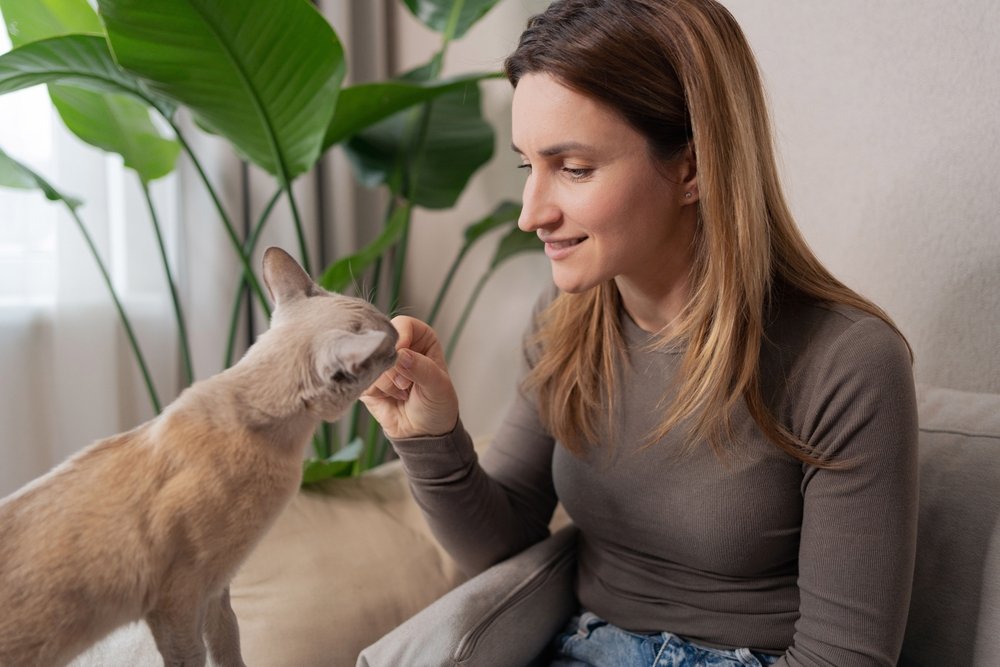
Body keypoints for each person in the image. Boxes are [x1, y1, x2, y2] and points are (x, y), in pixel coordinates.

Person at [361, 1, 919, 665]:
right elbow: (504, 542)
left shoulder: (846, 363)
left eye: (573, 167)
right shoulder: (569, 321)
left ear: (691, 167)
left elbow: (843, 659)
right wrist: (428, 435)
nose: (531, 213)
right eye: (526, 167)